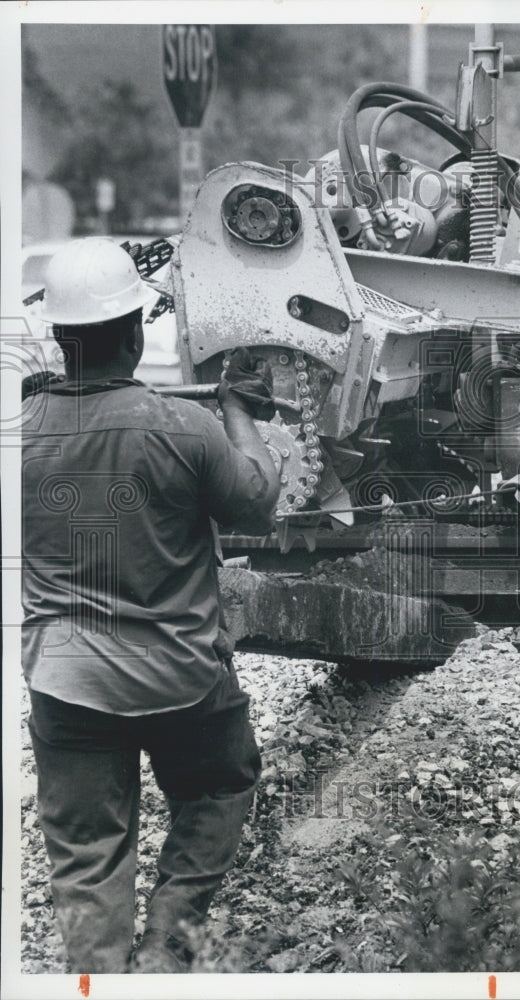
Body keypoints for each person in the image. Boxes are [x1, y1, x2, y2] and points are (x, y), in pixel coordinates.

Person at [21, 236, 280, 973]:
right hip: (179, 679)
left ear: (61, 337)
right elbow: (257, 506)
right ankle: (167, 946)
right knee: (218, 782)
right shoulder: (183, 427)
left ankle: (98, 977)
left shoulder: (20, 436)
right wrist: (236, 411)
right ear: (136, 333)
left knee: (86, 853)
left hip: (66, 683)